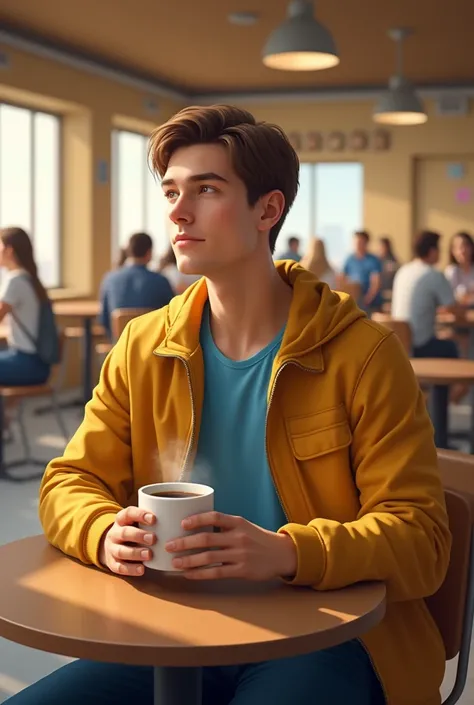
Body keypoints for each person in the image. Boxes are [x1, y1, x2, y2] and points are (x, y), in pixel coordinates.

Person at [15, 105, 450, 705]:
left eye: (206, 189)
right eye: (170, 191)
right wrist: (101, 531)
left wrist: (287, 551)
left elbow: (422, 540)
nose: (176, 211)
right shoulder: (144, 346)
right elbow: (68, 481)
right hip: (170, 628)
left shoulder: (365, 355)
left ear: (267, 210)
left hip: (330, 636)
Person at [392, 230, 461, 441]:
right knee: (451, 348)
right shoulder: (433, 274)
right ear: (432, 251)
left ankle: (435, 418)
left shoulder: (403, 271)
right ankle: (442, 430)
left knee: (444, 342)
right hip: (419, 347)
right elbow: (454, 309)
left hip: (398, 347)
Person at [0, 227, 51, 385]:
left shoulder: (15, 281)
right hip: (37, 362)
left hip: (27, 363)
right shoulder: (29, 278)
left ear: (9, 250)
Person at [99, 232, 174, 339]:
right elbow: (173, 316)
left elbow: (104, 319)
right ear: (149, 252)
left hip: (120, 346)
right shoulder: (161, 281)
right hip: (153, 346)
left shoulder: (110, 279)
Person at [342, 231, 383, 313]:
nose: (357, 244)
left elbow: (376, 283)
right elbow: (343, 279)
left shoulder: (373, 260)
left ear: (366, 243)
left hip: (370, 303)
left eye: (360, 242)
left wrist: (367, 300)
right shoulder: (349, 259)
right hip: (353, 301)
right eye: (355, 242)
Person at [445, 231, 474, 305]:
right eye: (458, 247)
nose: (462, 251)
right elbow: (447, 298)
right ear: (452, 251)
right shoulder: (451, 271)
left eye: (466, 246)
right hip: (458, 310)